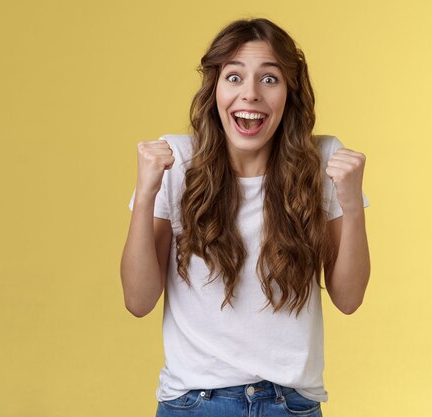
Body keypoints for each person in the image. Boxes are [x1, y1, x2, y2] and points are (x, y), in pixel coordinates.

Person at [120, 17, 371, 417]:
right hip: (194, 404)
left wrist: (352, 205)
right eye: (234, 77)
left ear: (290, 92)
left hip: (291, 406)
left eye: (269, 79)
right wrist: (147, 193)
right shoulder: (177, 161)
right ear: (215, 89)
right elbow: (138, 300)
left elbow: (349, 298)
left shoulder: (321, 161)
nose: (250, 94)